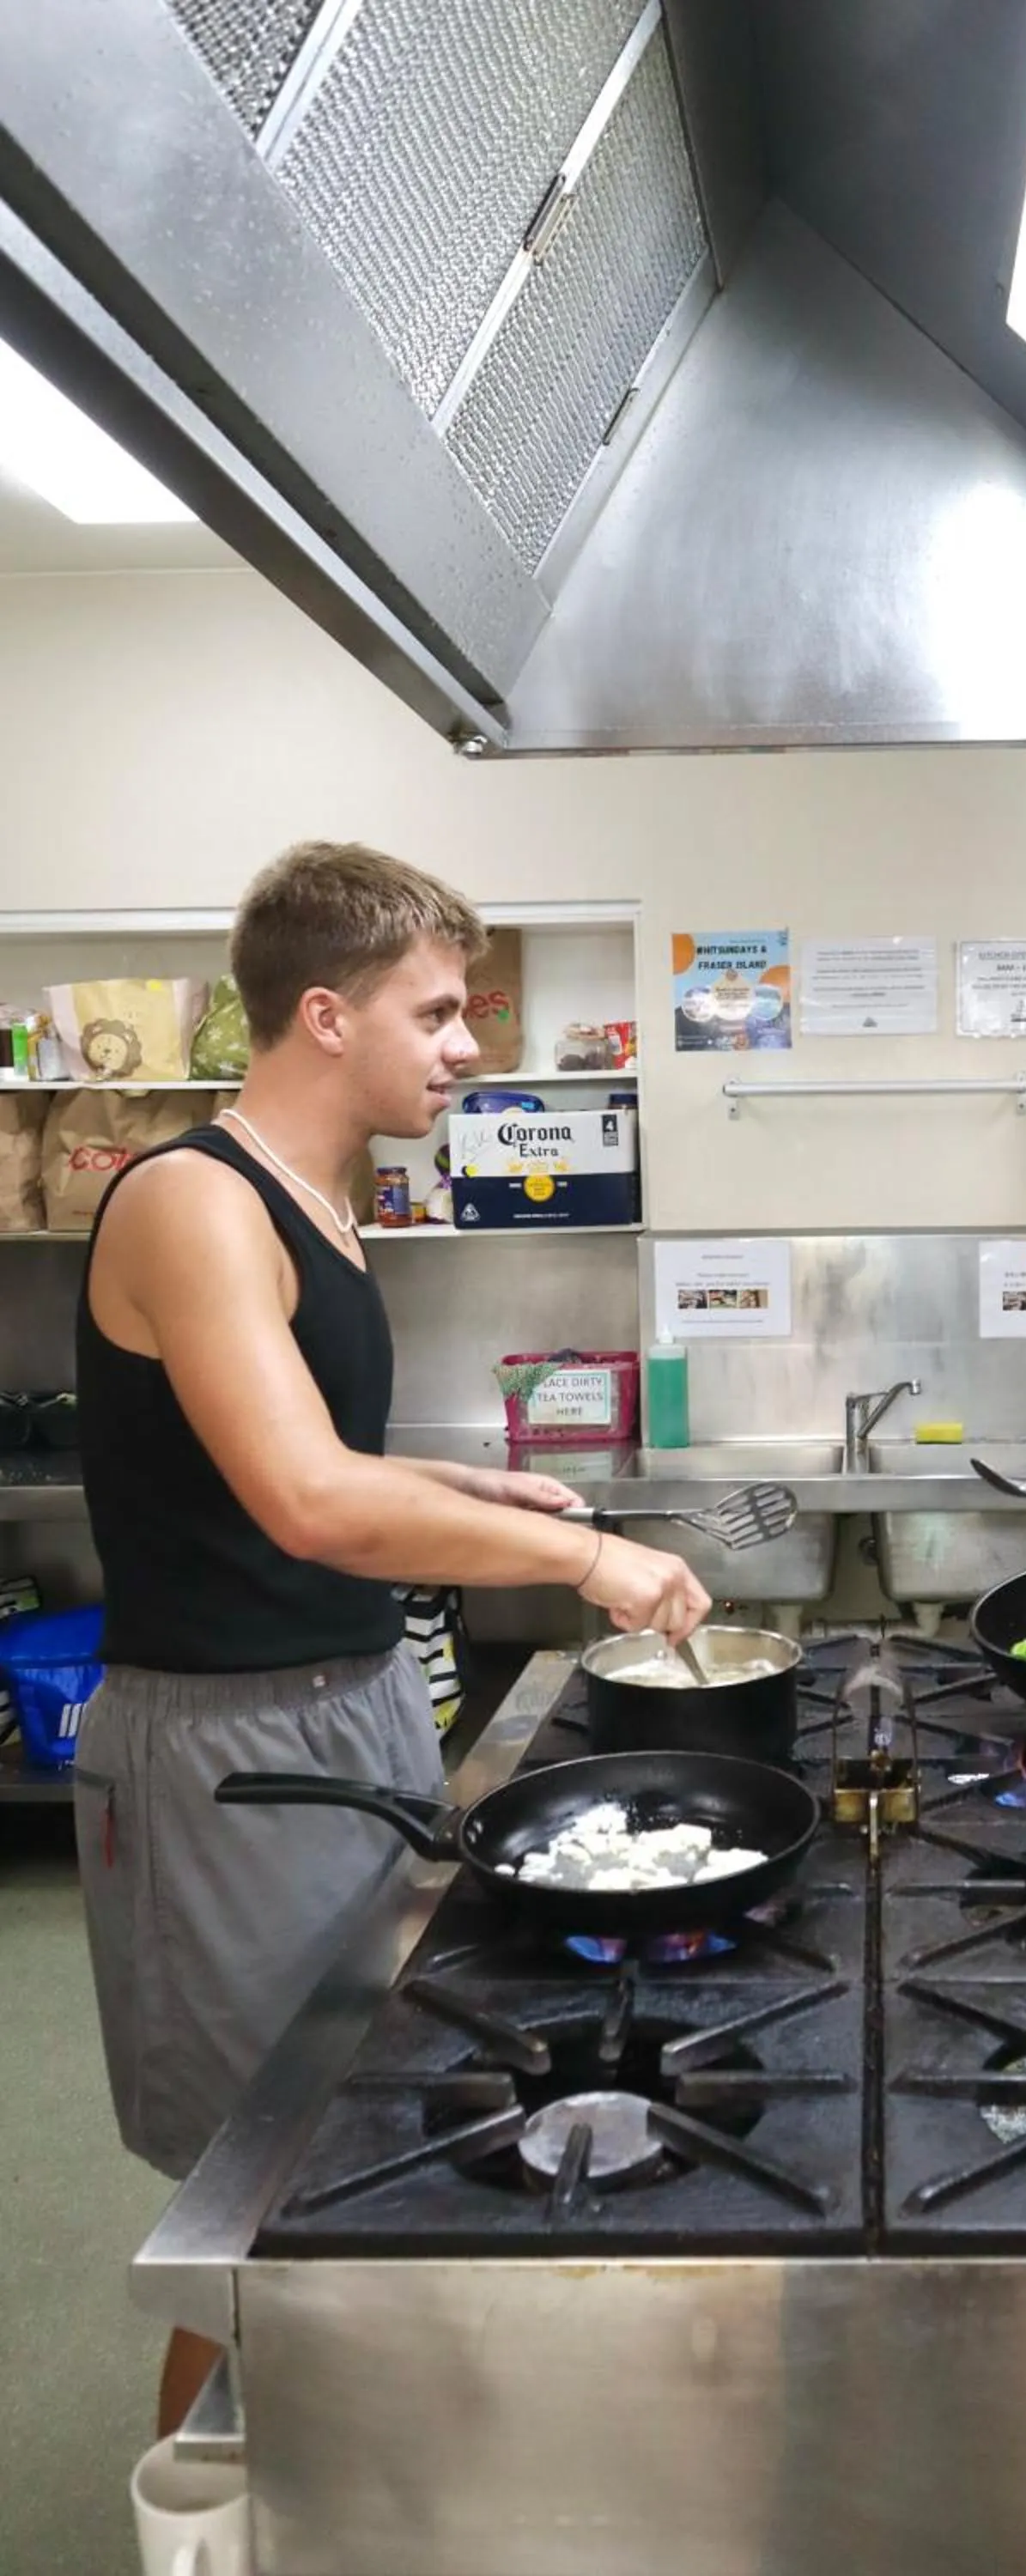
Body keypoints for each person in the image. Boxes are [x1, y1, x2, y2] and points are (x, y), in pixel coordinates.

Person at [71, 841, 712, 2434]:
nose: (470, 1046)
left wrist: (457, 1482)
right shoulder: (191, 1202)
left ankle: (348, 2480)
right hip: (229, 1757)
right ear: (323, 1015)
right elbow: (300, 1504)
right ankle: (205, 2518)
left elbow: (320, 1463)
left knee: (360, 2125)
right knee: (256, 2204)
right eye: (436, 1012)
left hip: (352, 1706)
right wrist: (599, 1567)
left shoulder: (321, 1210)